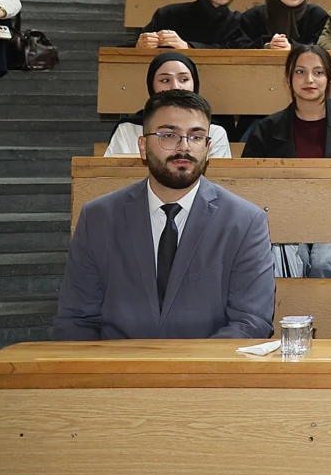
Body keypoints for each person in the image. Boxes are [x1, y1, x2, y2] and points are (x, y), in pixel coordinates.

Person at [54, 89, 274, 339]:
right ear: (143, 146)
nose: (184, 148)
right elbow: (76, 319)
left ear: (208, 147)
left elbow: (251, 321)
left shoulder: (245, 222)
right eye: (169, 135)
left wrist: (185, 373)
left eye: (196, 137)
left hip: (206, 373)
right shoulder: (98, 218)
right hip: (118, 372)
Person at [242, 45, 331, 278]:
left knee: (326, 262)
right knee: (284, 263)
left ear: (330, 77)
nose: (309, 79)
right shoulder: (267, 128)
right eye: (300, 72)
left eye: (318, 72)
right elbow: (251, 185)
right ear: (288, 77)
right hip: (285, 220)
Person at [103, 52, 231, 158]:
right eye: (165, 80)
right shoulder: (128, 129)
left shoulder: (214, 132)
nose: (175, 86)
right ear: (151, 85)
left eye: (184, 80)